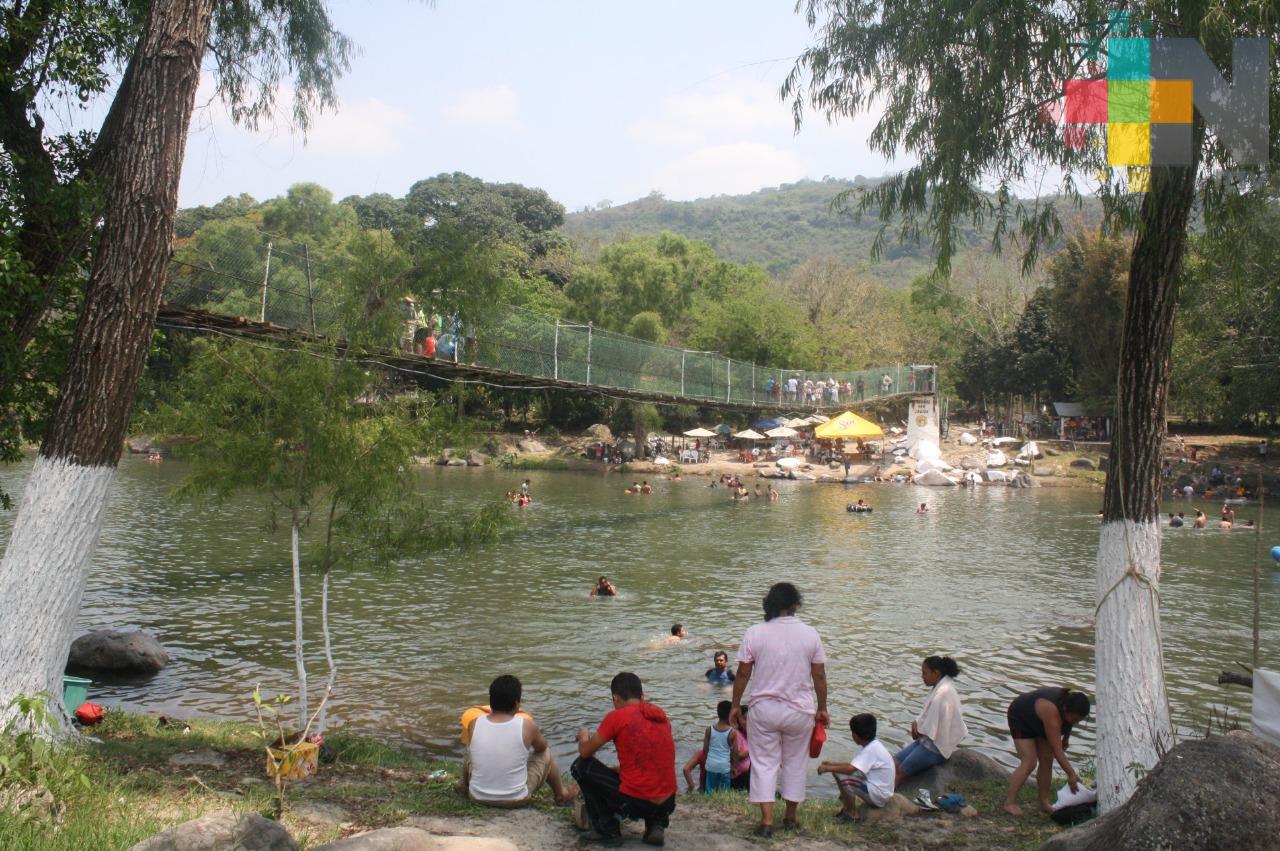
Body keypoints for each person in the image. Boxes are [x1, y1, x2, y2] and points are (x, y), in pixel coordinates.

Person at [729, 582, 828, 837]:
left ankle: (767, 822)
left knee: (764, 763)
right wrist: (823, 708)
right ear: (796, 604)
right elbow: (819, 676)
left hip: (763, 710)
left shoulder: (755, 632)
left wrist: (735, 705)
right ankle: (791, 816)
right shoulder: (810, 634)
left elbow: (742, 673)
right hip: (800, 711)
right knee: (795, 763)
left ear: (770, 604)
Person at [571, 672, 676, 848]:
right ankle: (655, 824)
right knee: (653, 777)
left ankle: (607, 830)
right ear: (642, 696)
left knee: (580, 766)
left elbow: (585, 753)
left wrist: (583, 736)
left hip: (637, 802)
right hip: (668, 802)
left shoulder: (617, 717)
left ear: (615, 698)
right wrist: (618, 769)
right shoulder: (659, 714)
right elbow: (652, 760)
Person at [461, 675, 578, 807]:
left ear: (491, 701)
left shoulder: (474, 723)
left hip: (477, 795)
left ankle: (464, 786)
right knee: (547, 753)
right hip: (516, 798)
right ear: (517, 704)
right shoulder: (527, 725)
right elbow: (542, 747)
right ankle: (561, 794)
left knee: (470, 752)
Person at [1002, 688, 1091, 815]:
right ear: (1065, 709)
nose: (1075, 722)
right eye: (1074, 719)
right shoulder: (1051, 710)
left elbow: (1068, 722)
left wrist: (1066, 738)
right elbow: (1057, 750)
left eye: (1078, 720)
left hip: (1041, 721)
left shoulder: (1069, 708)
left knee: (1046, 759)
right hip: (1021, 716)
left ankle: (1044, 803)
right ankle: (1009, 803)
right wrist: (1071, 774)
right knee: (1029, 761)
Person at [893, 656, 967, 785]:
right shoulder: (940, 686)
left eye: (925, 673)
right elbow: (926, 715)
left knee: (900, 771)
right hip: (927, 741)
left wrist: (917, 729)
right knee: (893, 763)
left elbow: (927, 729)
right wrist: (916, 723)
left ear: (936, 673)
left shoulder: (942, 693)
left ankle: (884, 799)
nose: (922, 676)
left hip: (936, 747)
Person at [818, 713, 895, 821]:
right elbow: (853, 766)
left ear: (855, 735)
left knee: (843, 776)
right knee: (839, 771)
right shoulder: (874, 745)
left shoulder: (870, 750)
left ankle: (851, 814)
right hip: (879, 790)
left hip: (879, 795)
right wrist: (832, 765)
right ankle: (846, 804)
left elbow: (850, 769)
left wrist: (827, 768)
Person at [700, 701, 735, 793]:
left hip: (711, 766)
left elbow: (705, 750)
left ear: (718, 713)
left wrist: (704, 765)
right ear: (730, 714)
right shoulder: (732, 732)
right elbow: (735, 753)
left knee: (709, 792)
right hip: (724, 767)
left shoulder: (709, 729)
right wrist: (734, 767)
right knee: (724, 793)